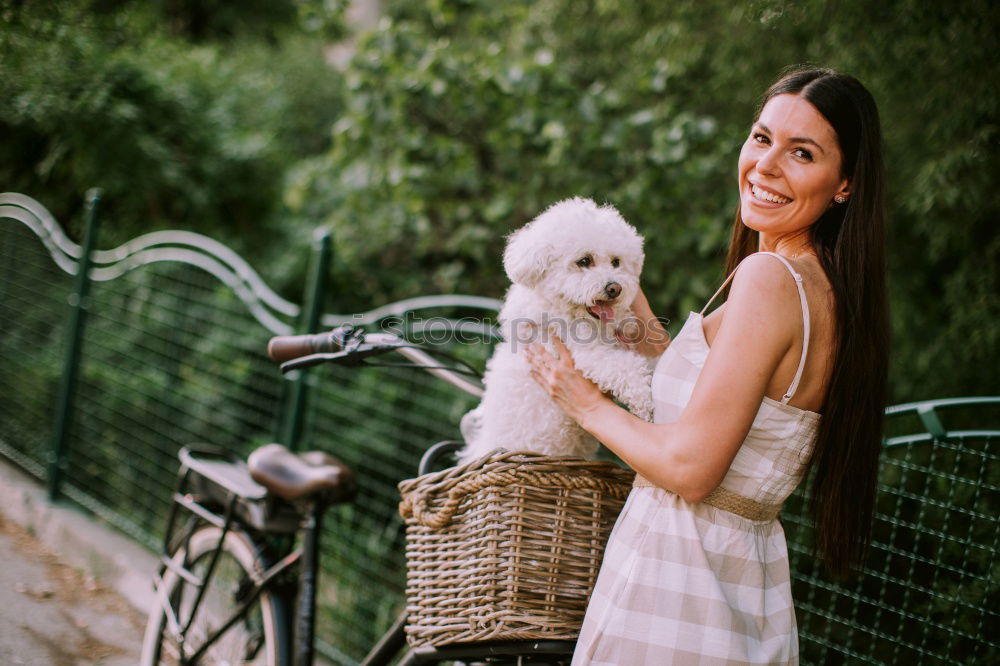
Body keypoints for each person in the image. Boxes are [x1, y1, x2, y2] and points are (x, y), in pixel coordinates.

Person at [525, 66, 889, 665]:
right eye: (761, 138)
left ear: (845, 183)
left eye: (802, 152)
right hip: (738, 586)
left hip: (680, 590)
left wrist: (581, 399)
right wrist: (623, 293)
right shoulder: (823, 288)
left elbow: (691, 466)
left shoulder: (770, 279)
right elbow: (704, 394)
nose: (767, 165)